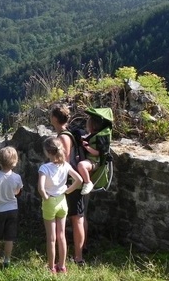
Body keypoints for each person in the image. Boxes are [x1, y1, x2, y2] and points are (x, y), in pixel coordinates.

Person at [38, 136, 83, 274]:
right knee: (62, 235)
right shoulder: (66, 165)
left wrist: (46, 197)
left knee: (51, 238)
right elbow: (79, 180)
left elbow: (41, 188)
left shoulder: (44, 168)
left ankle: (51, 267)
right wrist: (67, 190)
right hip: (62, 201)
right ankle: (62, 266)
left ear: (47, 152)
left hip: (50, 202)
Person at [50, 103, 88, 266]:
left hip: (71, 182)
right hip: (71, 181)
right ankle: (78, 251)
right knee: (77, 217)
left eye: (51, 116)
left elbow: (62, 160)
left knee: (76, 218)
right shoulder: (66, 134)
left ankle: (78, 257)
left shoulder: (64, 137)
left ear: (54, 118)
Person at [0, 146, 23, 268]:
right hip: (13, 210)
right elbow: (18, 192)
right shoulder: (17, 177)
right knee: (9, 237)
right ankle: (7, 260)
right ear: (15, 161)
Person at [79, 107, 113, 194]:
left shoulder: (100, 138)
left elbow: (98, 153)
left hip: (94, 161)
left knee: (81, 165)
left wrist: (87, 147)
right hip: (90, 159)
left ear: (93, 125)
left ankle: (87, 183)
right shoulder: (94, 135)